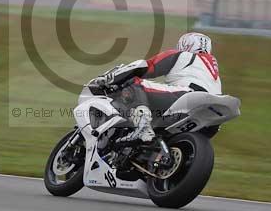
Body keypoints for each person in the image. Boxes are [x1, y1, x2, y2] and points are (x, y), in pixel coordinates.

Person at [88, 32, 221, 143]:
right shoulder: (212, 69)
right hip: (212, 116)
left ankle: (143, 125)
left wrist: (109, 78)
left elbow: (143, 67)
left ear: (186, 44)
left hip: (188, 96)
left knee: (133, 83)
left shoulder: (182, 55)